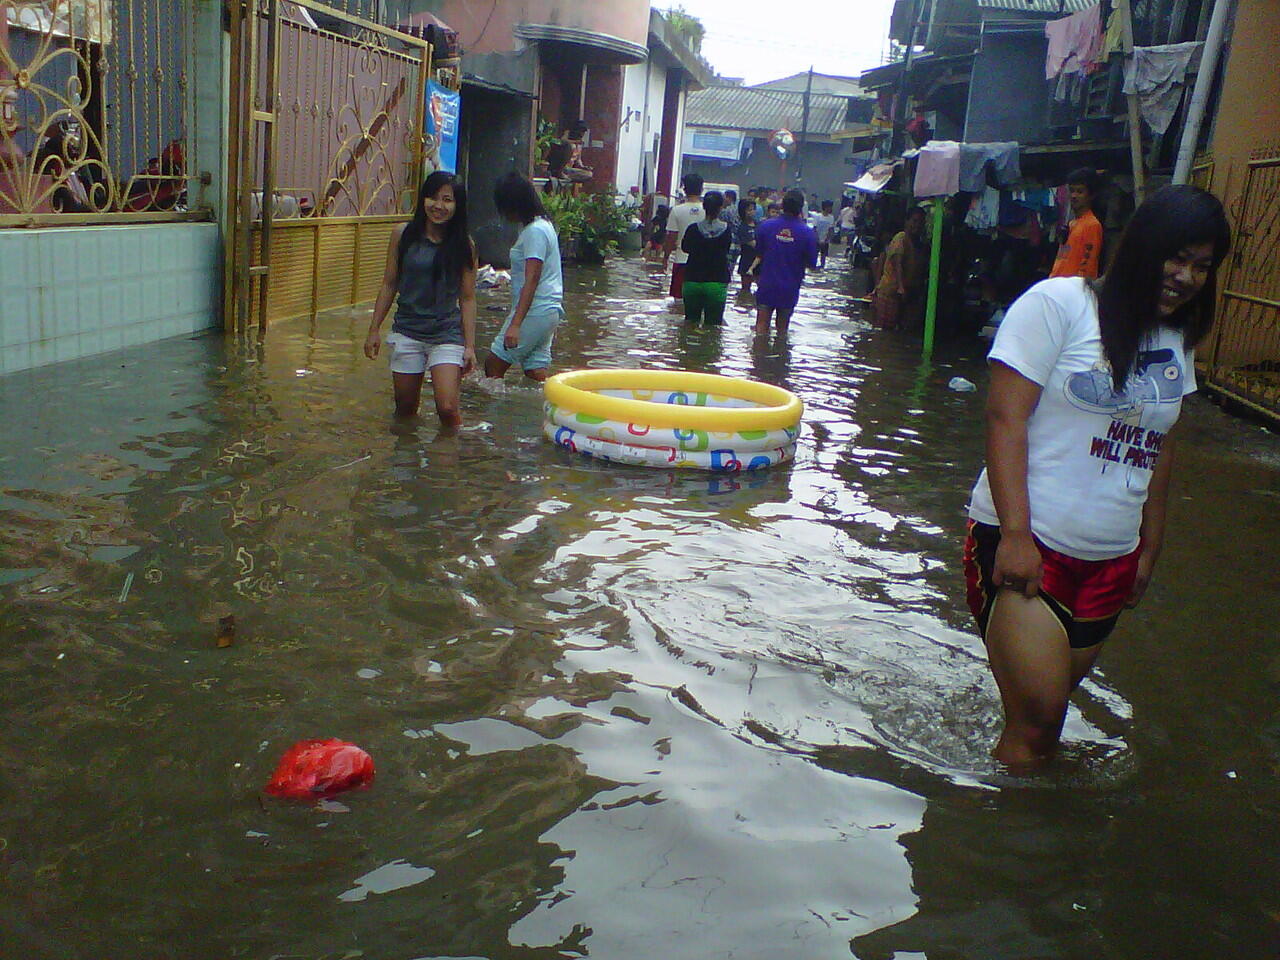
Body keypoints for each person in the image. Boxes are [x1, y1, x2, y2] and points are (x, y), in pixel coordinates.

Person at [964, 185, 1231, 767]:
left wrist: (1148, 549)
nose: (1186, 277)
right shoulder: (1059, 304)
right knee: (1037, 727)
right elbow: (1005, 417)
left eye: (1202, 267)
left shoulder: (1175, 339)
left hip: (1110, 561)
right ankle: (1000, 844)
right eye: (1177, 257)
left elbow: (1158, 447)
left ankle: (1010, 822)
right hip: (1031, 548)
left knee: (1047, 719)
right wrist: (1014, 537)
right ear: (1141, 248)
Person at [364, 172, 476, 426]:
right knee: (404, 408)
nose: (438, 206)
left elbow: (468, 298)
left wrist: (469, 346)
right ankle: (406, 458)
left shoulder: (464, 246)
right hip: (408, 331)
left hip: (446, 333)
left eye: (447, 200)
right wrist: (373, 330)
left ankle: (450, 456)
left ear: (457, 206)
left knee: (447, 408)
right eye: (432, 198)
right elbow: (389, 283)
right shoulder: (402, 235)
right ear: (423, 199)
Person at [484, 172, 564, 383]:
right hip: (549, 312)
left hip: (535, 311)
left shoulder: (534, 232)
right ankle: (541, 413)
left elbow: (532, 279)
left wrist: (516, 323)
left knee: (493, 364)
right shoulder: (545, 225)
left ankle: (493, 415)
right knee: (535, 374)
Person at [752, 189, 818, 336]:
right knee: (782, 330)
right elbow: (812, 264)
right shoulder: (808, 233)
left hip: (767, 283)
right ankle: (780, 356)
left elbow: (759, 253)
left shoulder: (765, 227)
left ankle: (758, 356)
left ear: (782, 205)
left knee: (761, 326)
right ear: (801, 208)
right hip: (790, 287)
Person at [680, 191, 732, 325]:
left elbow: (685, 248)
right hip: (716, 283)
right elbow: (726, 250)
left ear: (704, 206)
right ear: (721, 208)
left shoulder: (692, 229)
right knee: (713, 327)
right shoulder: (726, 230)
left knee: (690, 324)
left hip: (692, 281)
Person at [871, 206, 927, 330]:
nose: (917, 225)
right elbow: (898, 262)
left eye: (921, 222)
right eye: (914, 221)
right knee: (885, 329)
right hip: (890, 292)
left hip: (900, 293)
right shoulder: (900, 238)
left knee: (895, 330)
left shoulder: (915, 242)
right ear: (907, 221)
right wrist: (901, 287)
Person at [1050, 167, 1104, 279]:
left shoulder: (1092, 225)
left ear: (1091, 195)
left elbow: (1088, 264)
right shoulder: (1071, 224)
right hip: (1058, 285)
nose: (1074, 196)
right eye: (1072, 190)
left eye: (1080, 192)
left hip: (1073, 288)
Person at [664, 173, 705, 303]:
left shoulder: (676, 210)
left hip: (681, 261)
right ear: (701, 189)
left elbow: (671, 238)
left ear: (684, 189)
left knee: (678, 304)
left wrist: (665, 257)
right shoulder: (708, 210)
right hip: (704, 264)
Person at [734, 198, 759, 296]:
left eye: (753, 209)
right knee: (745, 290)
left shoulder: (759, 225)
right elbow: (754, 245)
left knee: (761, 287)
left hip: (760, 262)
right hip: (746, 261)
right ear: (742, 211)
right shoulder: (742, 228)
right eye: (749, 210)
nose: (752, 212)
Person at [720, 188, 741, 275]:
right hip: (737, 239)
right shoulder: (738, 209)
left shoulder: (727, 210)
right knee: (732, 263)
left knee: (726, 262)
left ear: (729, 198)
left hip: (729, 238)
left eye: (724, 197)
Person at [809, 200, 835, 270]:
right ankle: (813, 268)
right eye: (830, 207)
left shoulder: (831, 218)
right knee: (814, 255)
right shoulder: (818, 217)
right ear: (825, 207)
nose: (831, 209)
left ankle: (821, 268)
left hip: (825, 241)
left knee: (823, 256)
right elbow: (814, 229)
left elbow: (831, 230)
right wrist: (817, 239)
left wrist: (827, 240)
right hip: (816, 240)